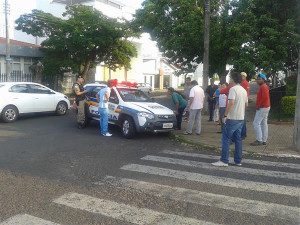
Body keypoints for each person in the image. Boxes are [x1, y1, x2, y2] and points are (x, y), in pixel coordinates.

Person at [212, 72, 248, 167]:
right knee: (238, 140)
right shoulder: (243, 90)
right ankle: (238, 160)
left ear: (232, 79)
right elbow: (246, 104)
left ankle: (224, 160)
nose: (230, 80)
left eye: (230, 79)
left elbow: (231, 103)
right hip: (241, 118)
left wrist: (225, 116)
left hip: (232, 118)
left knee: (226, 139)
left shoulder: (233, 89)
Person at [251, 73, 270, 146]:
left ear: (263, 80)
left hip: (262, 107)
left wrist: (259, 105)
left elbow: (264, 97)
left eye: (259, 79)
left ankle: (259, 140)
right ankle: (264, 140)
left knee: (256, 123)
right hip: (265, 107)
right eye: (257, 79)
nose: (257, 80)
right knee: (264, 123)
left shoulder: (263, 87)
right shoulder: (264, 86)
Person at [240, 72, 250, 139]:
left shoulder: (244, 83)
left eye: (241, 76)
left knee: (242, 118)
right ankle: (243, 133)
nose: (240, 77)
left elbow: (245, 94)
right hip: (243, 101)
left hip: (243, 102)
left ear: (244, 76)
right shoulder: (244, 83)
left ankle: (243, 134)